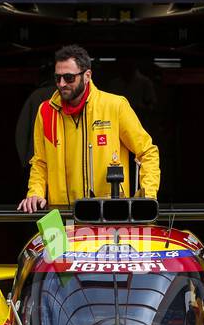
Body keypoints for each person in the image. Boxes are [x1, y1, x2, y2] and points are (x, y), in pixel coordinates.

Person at [19, 45, 161, 211]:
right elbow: (40, 162)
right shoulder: (46, 111)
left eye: (69, 78)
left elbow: (147, 152)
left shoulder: (115, 106)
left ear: (87, 76)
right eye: (58, 78)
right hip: (59, 216)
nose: (62, 84)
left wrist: (147, 196)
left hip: (109, 215)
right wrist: (35, 192)